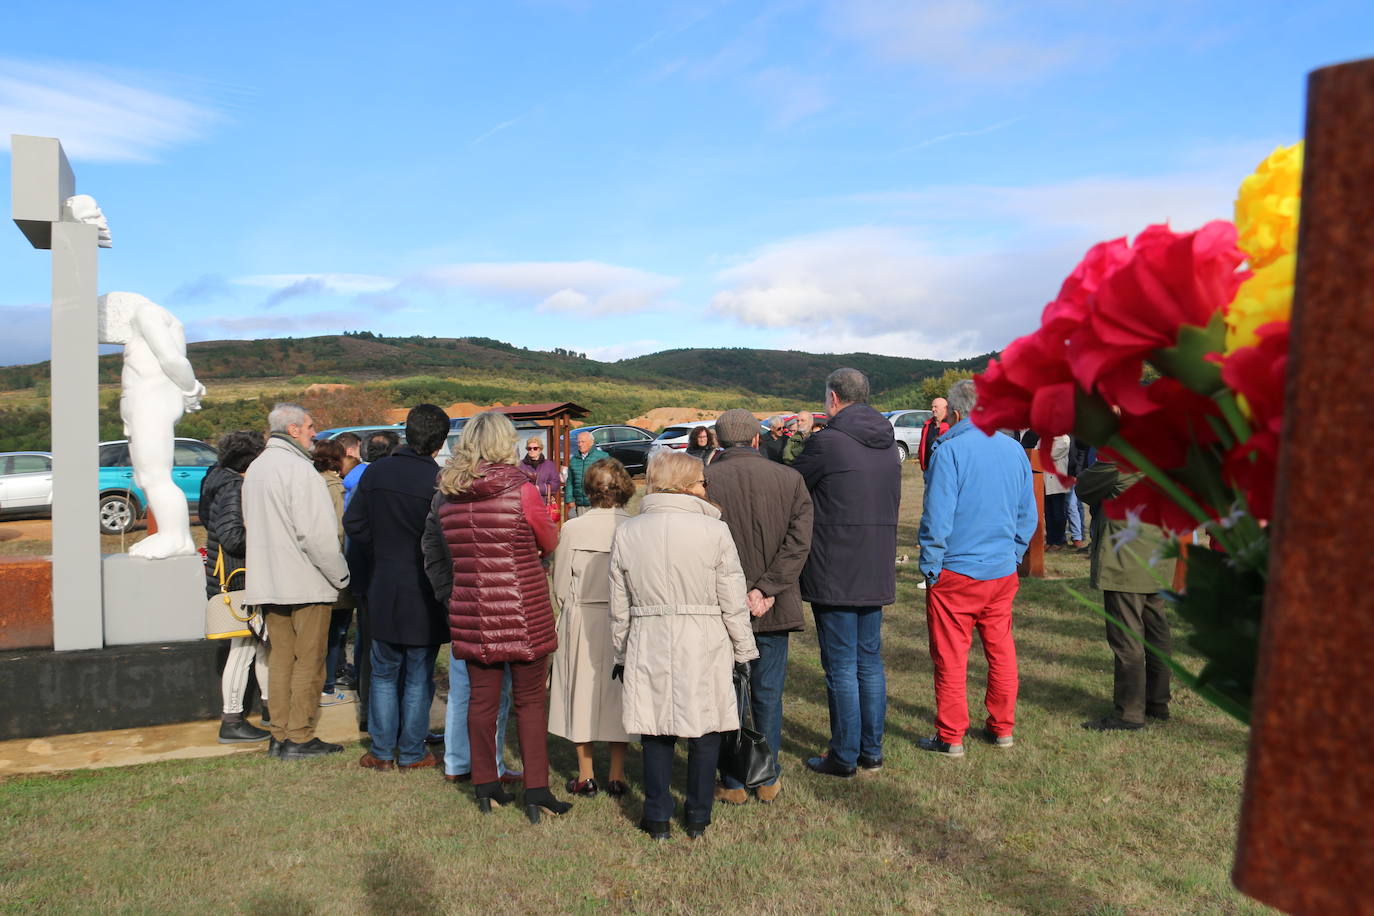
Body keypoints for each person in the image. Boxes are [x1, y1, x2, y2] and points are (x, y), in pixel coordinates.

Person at [422, 411, 570, 822]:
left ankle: (485, 784)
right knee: (528, 703)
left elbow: (442, 551)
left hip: (473, 607)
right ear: (506, 444)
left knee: (480, 702)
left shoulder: (447, 494)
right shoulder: (521, 491)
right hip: (522, 606)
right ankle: (536, 789)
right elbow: (549, 539)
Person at [610, 451, 758, 840]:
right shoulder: (714, 531)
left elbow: (619, 604)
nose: (705, 487)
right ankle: (697, 815)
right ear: (687, 484)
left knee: (656, 727)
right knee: (705, 724)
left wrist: (621, 652)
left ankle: (657, 815)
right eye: (701, 480)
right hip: (703, 636)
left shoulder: (628, 531)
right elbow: (732, 596)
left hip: (649, 634)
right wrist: (744, 650)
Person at [786, 369, 900, 778]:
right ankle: (871, 750)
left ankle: (845, 755)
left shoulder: (828, 441)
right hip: (876, 561)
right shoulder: (888, 443)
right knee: (868, 661)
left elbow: (792, 484)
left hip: (836, 564)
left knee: (841, 665)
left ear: (833, 398)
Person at [917, 379, 1038, 756]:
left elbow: (937, 519)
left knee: (952, 656)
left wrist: (931, 567)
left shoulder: (950, 451)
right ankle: (1002, 728)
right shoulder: (1013, 450)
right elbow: (1027, 516)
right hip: (999, 571)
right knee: (1001, 650)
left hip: (957, 572)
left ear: (954, 414)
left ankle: (951, 735)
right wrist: (1014, 555)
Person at [705, 409, 813, 805]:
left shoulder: (705, 481)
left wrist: (756, 590)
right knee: (768, 692)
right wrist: (768, 589)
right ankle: (766, 778)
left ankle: (734, 781)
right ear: (756, 440)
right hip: (772, 603)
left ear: (717, 443)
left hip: (723, 606)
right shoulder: (790, 478)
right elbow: (799, 543)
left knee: (728, 693)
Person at [345, 404, 452, 770]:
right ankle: (409, 752)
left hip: (385, 584)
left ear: (407, 433)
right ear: (439, 443)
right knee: (418, 674)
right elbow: (448, 539)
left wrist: (381, 549)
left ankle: (382, 751)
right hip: (424, 587)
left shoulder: (377, 473)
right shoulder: (439, 482)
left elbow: (354, 522)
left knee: (385, 671)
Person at [242, 403, 351, 759]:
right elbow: (317, 536)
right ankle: (299, 737)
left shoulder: (256, 468)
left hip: (271, 581)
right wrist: (340, 574)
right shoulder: (300, 471)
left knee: (281, 660)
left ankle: (280, 734)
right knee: (309, 662)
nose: (314, 432)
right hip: (305, 581)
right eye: (309, 426)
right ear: (292, 430)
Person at [548, 458, 636, 797]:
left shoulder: (573, 528)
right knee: (619, 695)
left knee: (580, 692)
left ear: (589, 489)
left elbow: (559, 585)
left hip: (582, 616)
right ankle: (617, 775)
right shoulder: (634, 525)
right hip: (623, 619)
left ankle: (586, 775)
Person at [1076, 460, 1176, 731]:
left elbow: (1084, 487)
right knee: (1156, 631)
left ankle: (1129, 713)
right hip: (1158, 551)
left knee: (1127, 638)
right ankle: (1157, 702)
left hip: (1128, 559)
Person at [200, 430, 270, 744]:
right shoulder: (235, 487)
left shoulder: (216, 480)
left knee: (260, 646)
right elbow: (232, 536)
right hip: (239, 580)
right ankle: (231, 719)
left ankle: (270, 708)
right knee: (243, 651)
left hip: (231, 578)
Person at [351, 427, 401, 727]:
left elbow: (353, 525)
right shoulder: (376, 479)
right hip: (382, 574)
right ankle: (381, 719)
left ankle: (371, 716)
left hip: (365, 574)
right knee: (384, 658)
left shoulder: (359, 477)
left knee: (369, 648)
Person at [313, 438, 357, 710]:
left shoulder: (309, 482)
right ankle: (327, 686)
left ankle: (323, 683)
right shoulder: (335, 488)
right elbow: (341, 531)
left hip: (313, 570)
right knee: (336, 631)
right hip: (336, 567)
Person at [564, 431, 611, 520]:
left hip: (597, 504)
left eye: (583, 442)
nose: (580, 444)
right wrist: (569, 500)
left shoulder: (603, 457)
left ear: (591, 442)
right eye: (578, 442)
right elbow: (570, 481)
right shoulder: (574, 460)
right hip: (580, 504)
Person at [1043, 434, 1072, 549]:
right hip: (1046, 481)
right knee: (1048, 513)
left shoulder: (1064, 439)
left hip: (1057, 483)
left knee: (1058, 513)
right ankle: (1050, 540)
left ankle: (1059, 540)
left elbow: (1051, 455)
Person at [519, 436, 561, 506]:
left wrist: (539, 488)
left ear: (540, 450)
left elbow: (555, 483)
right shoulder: (520, 465)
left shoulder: (549, 465)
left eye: (535, 448)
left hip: (543, 503)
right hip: (525, 504)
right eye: (529, 448)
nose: (532, 450)